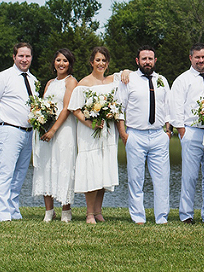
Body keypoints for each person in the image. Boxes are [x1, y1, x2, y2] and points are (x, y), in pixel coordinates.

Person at [117, 45, 172, 225]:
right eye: (144, 59)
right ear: (137, 61)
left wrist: (168, 131)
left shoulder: (162, 80)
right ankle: (138, 217)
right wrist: (123, 133)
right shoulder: (128, 79)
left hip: (158, 136)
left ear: (155, 61)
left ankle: (161, 218)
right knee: (135, 179)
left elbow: (168, 107)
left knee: (162, 180)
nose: (147, 62)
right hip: (136, 135)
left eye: (150, 59)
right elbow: (119, 108)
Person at [169, 43, 204, 224]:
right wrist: (182, 131)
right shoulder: (183, 80)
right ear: (191, 58)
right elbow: (176, 107)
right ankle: (186, 215)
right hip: (192, 132)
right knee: (189, 176)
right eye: (197, 57)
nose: (201, 60)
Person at [68, 46, 122, 224]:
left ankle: (98, 211)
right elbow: (75, 109)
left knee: (103, 170)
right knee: (91, 170)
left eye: (104, 60)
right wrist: (90, 123)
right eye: (98, 60)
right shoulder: (83, 84)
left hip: (107, 132)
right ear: (91, 62)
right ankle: (89, 213)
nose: (101, 63)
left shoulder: (112, 83)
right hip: (88, 133)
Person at [0, 43, 36, 221]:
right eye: (21, 56)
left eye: (27, 56)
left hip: (28, 133)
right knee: (5, 172)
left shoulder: (32, 80)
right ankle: (2, 214)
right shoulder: (3, 77)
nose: (24, 59)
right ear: (14, 57)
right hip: (9, 130)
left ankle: (13, 210)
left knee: (20, 174)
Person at [32, 48, 78, 222]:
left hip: (64, 130)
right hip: (47, 129)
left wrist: (53, 130)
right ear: (54, 62)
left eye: (65, 61)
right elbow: (44, 105)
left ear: (70, 64)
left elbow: (66, 108)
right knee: (46, 166)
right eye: (58, 60)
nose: (61, 64)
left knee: (63, 165)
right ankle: (48, 211)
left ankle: (66, 210)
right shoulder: (50, 83)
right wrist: (41, 123)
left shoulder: (71, 81)